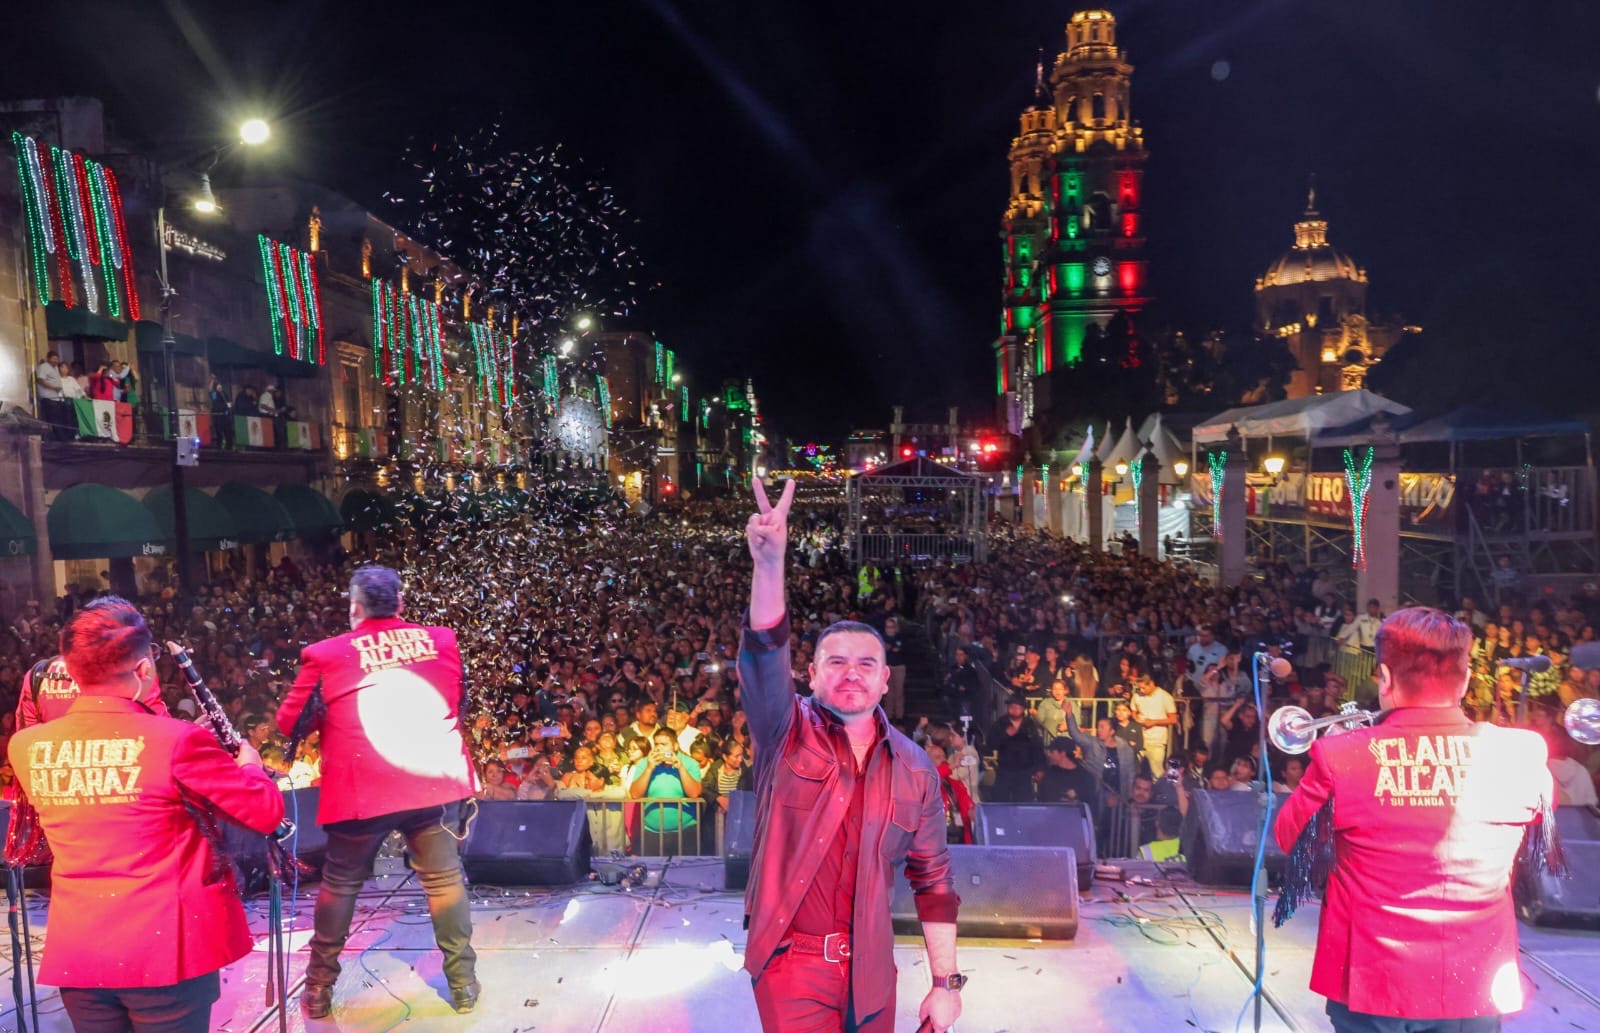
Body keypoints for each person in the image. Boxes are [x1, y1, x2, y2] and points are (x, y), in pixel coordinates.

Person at [741, 477, 962, 1033]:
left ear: (886, 681)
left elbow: (935, 884)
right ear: (811, 674)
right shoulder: (784, 732)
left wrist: (945, 984)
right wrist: (770, 565)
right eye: (835, 662)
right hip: (793, 967)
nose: (850, 674)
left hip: (870, 974)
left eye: (865, 664)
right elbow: (764, 652)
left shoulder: (915, 769)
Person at [1274, 607, 1559, 1032]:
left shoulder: (1341, 755)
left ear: (1385, 678)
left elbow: (1287, 837)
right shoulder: (1523, 753)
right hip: (1474, 984)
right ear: (1464, 680)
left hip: (1371, 983)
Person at [7, 597, 284, 1032]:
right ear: (143, 671)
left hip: (81, 954)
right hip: (166, 952)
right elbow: (263, 812)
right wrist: (247, 764)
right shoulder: (178, 741)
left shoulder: (26, 746)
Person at [276, 566, 480, 1018]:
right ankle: (463, 984)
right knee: (444, 880)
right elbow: (452, 698)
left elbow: (289, 724)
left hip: (361, 789)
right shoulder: (442, 640)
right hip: (430, 779)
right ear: (401, 603)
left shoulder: (325, 655)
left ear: (354, 607)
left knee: (341, 883)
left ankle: (318, 990)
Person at [1130, 669, 1178, 776]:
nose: (1141, 690)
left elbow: (1173, 719)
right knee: (1136, 770)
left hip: (1157, 740)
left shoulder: (1165, 697)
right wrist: (1136, 719)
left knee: (1156, 770)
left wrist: (1154, 722)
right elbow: (1133, 711)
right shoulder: (1137, 696)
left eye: (1144, 687)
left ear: (1151, 684)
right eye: (1140, 687)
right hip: (1140, 739)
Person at [1038, 736, 1097, 806]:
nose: (1049, 755)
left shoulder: (1085, 778)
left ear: (1063, 753)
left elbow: (1090, 805)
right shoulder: (1049, 775)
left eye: (1052, 751)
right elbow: (1042, 801)